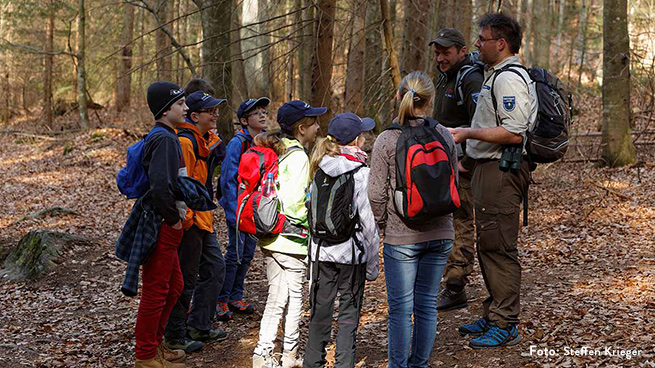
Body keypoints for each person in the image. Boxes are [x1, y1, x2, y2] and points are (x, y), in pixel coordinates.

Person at [448, 13, 536, 349]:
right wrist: (470, 159)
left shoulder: (508, 79)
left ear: (500, 43)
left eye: (482, 39)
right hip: (488, 168)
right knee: (488, 244)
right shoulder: (494, 75)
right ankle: (494, 311)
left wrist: (468, 133)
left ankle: (506, 323)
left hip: (502, 171)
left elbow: (514, 132)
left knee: (499, 247)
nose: (477, 45)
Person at [368, 71, 455, 368]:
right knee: (427, 305)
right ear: (430, 101)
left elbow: (375, 194)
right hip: (441, 233)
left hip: (401, 236)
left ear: (398, 96)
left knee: (401, 311)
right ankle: (419, 365)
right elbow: (452, 178)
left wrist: (384, 226)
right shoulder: (443, 133)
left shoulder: (387, 139)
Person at [117, 81, 189, 368]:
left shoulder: (166, 136)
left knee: (174, 286)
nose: (186, 108)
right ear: (166, 109)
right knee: (157, 289)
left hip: (165, 223)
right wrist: (173, 220)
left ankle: (154, 345)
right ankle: (145, 356)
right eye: (180, 104)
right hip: (160, 223)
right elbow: (161, 187)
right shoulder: (165, 139)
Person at [303, 113, 380, 368]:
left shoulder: (318, 167)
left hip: (321, 253)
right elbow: (368, 224)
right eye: (363, 134)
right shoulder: (361, 173)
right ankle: (343, 363)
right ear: (356, 141)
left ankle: (312, 362)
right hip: (351, 255)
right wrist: (372, 265)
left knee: (320, 314)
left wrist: (309, 260)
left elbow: (311, 212)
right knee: (348, 315)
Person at [252, 100, 325, 368]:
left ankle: (262, 353)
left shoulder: (278, 150)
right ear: (302, 128)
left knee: (276, 297)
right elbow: (295, 203)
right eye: (314, 122)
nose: (318, 127)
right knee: (295, 300)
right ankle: (289, 356)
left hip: (270, 235)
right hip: (291, 240)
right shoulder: (298, 157)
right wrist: (312, 220)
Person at [163, 91, 228, 353]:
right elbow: (183, 185)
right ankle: (175, 336)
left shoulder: (203, 141)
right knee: (185, 279)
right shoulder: (186, 144)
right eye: (209, 110)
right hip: (190, 222)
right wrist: (186, 221)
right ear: (194, 115)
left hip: (204, 219)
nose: (214, 114)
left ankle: (200, 324)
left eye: (216, 110)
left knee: (215, 268)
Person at [429, 28, 484, 311]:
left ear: (462, 51)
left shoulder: (470, 78)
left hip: (463, 166)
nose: (440, 57)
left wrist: (468, 162)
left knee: (461, 221)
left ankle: (455, 285)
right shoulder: (446, 77)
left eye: (446, 52)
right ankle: (449, 279)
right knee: (448, 219)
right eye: (437, 52)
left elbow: (482, 123)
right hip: (445, 163)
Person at [217, 97, 271, 321]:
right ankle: (221, 299)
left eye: (263, 111)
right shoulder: (238, 143)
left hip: (254, 209)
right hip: (238, 209)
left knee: (248, 253)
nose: (262, 115)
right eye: (255, 113)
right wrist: (232, 212)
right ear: (243, 120)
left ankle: (236, 295)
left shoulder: (263, 141)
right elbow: (228, 179)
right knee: (235, 253)